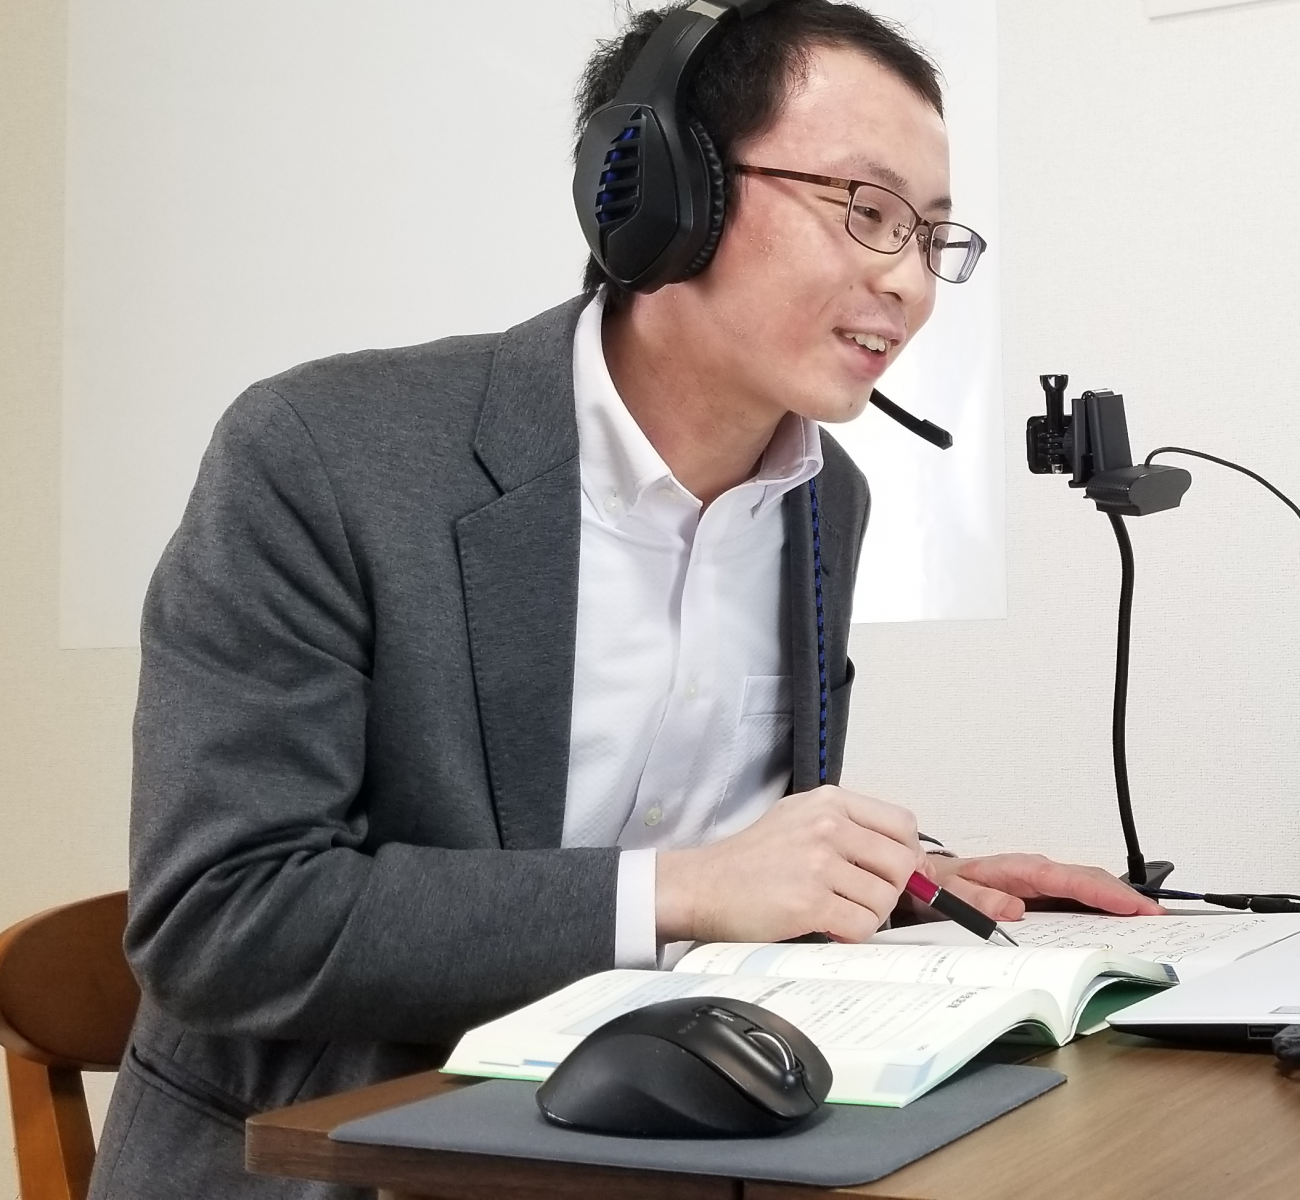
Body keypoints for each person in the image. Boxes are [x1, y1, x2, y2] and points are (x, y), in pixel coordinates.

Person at [88, 3, 1161, 1197]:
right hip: (340, 1159)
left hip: (646, 1147)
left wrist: (898, 888)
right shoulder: (320, 451)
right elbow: (222, 921)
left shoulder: (825, 499)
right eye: (866, 210)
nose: (906, 282)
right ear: (665, 192)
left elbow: (738, 849)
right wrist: (688, 886)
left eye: (932, 236)